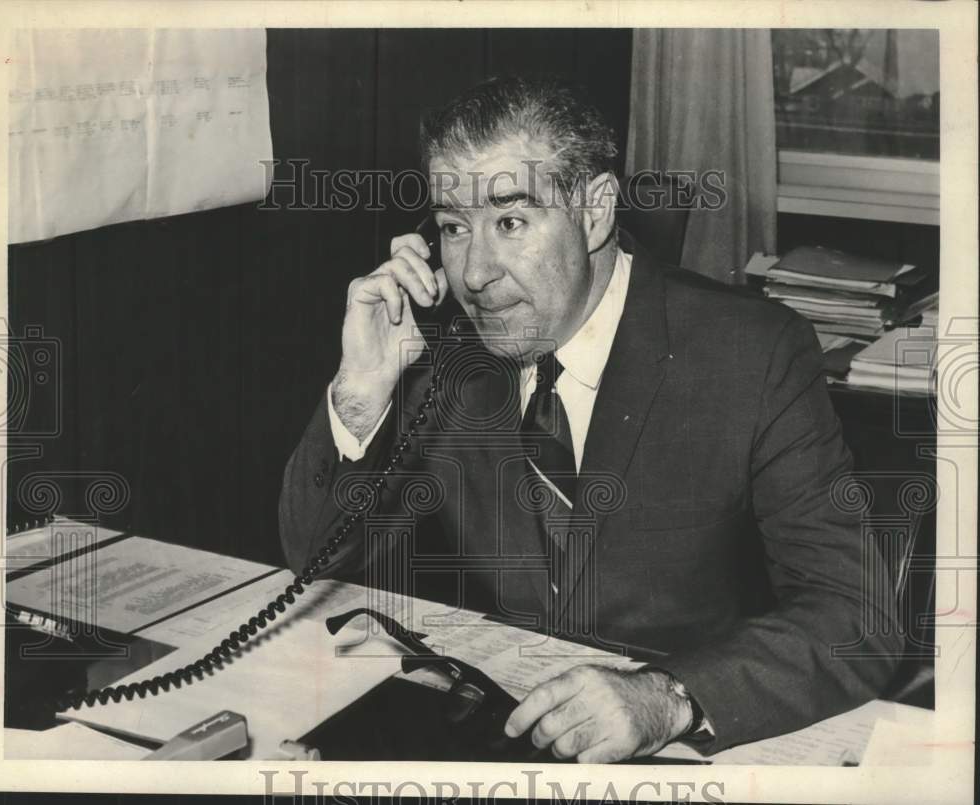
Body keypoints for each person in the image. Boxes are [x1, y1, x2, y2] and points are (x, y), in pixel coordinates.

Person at [279, 75, 902, 762]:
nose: (475, 272)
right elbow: (316, 569)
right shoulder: (442, 357)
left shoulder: (751, 354)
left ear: (597, 210)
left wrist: (668, 696)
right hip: (496, 737)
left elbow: (857, 615)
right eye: (454, 226)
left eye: (511, 221)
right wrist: (362, 392)